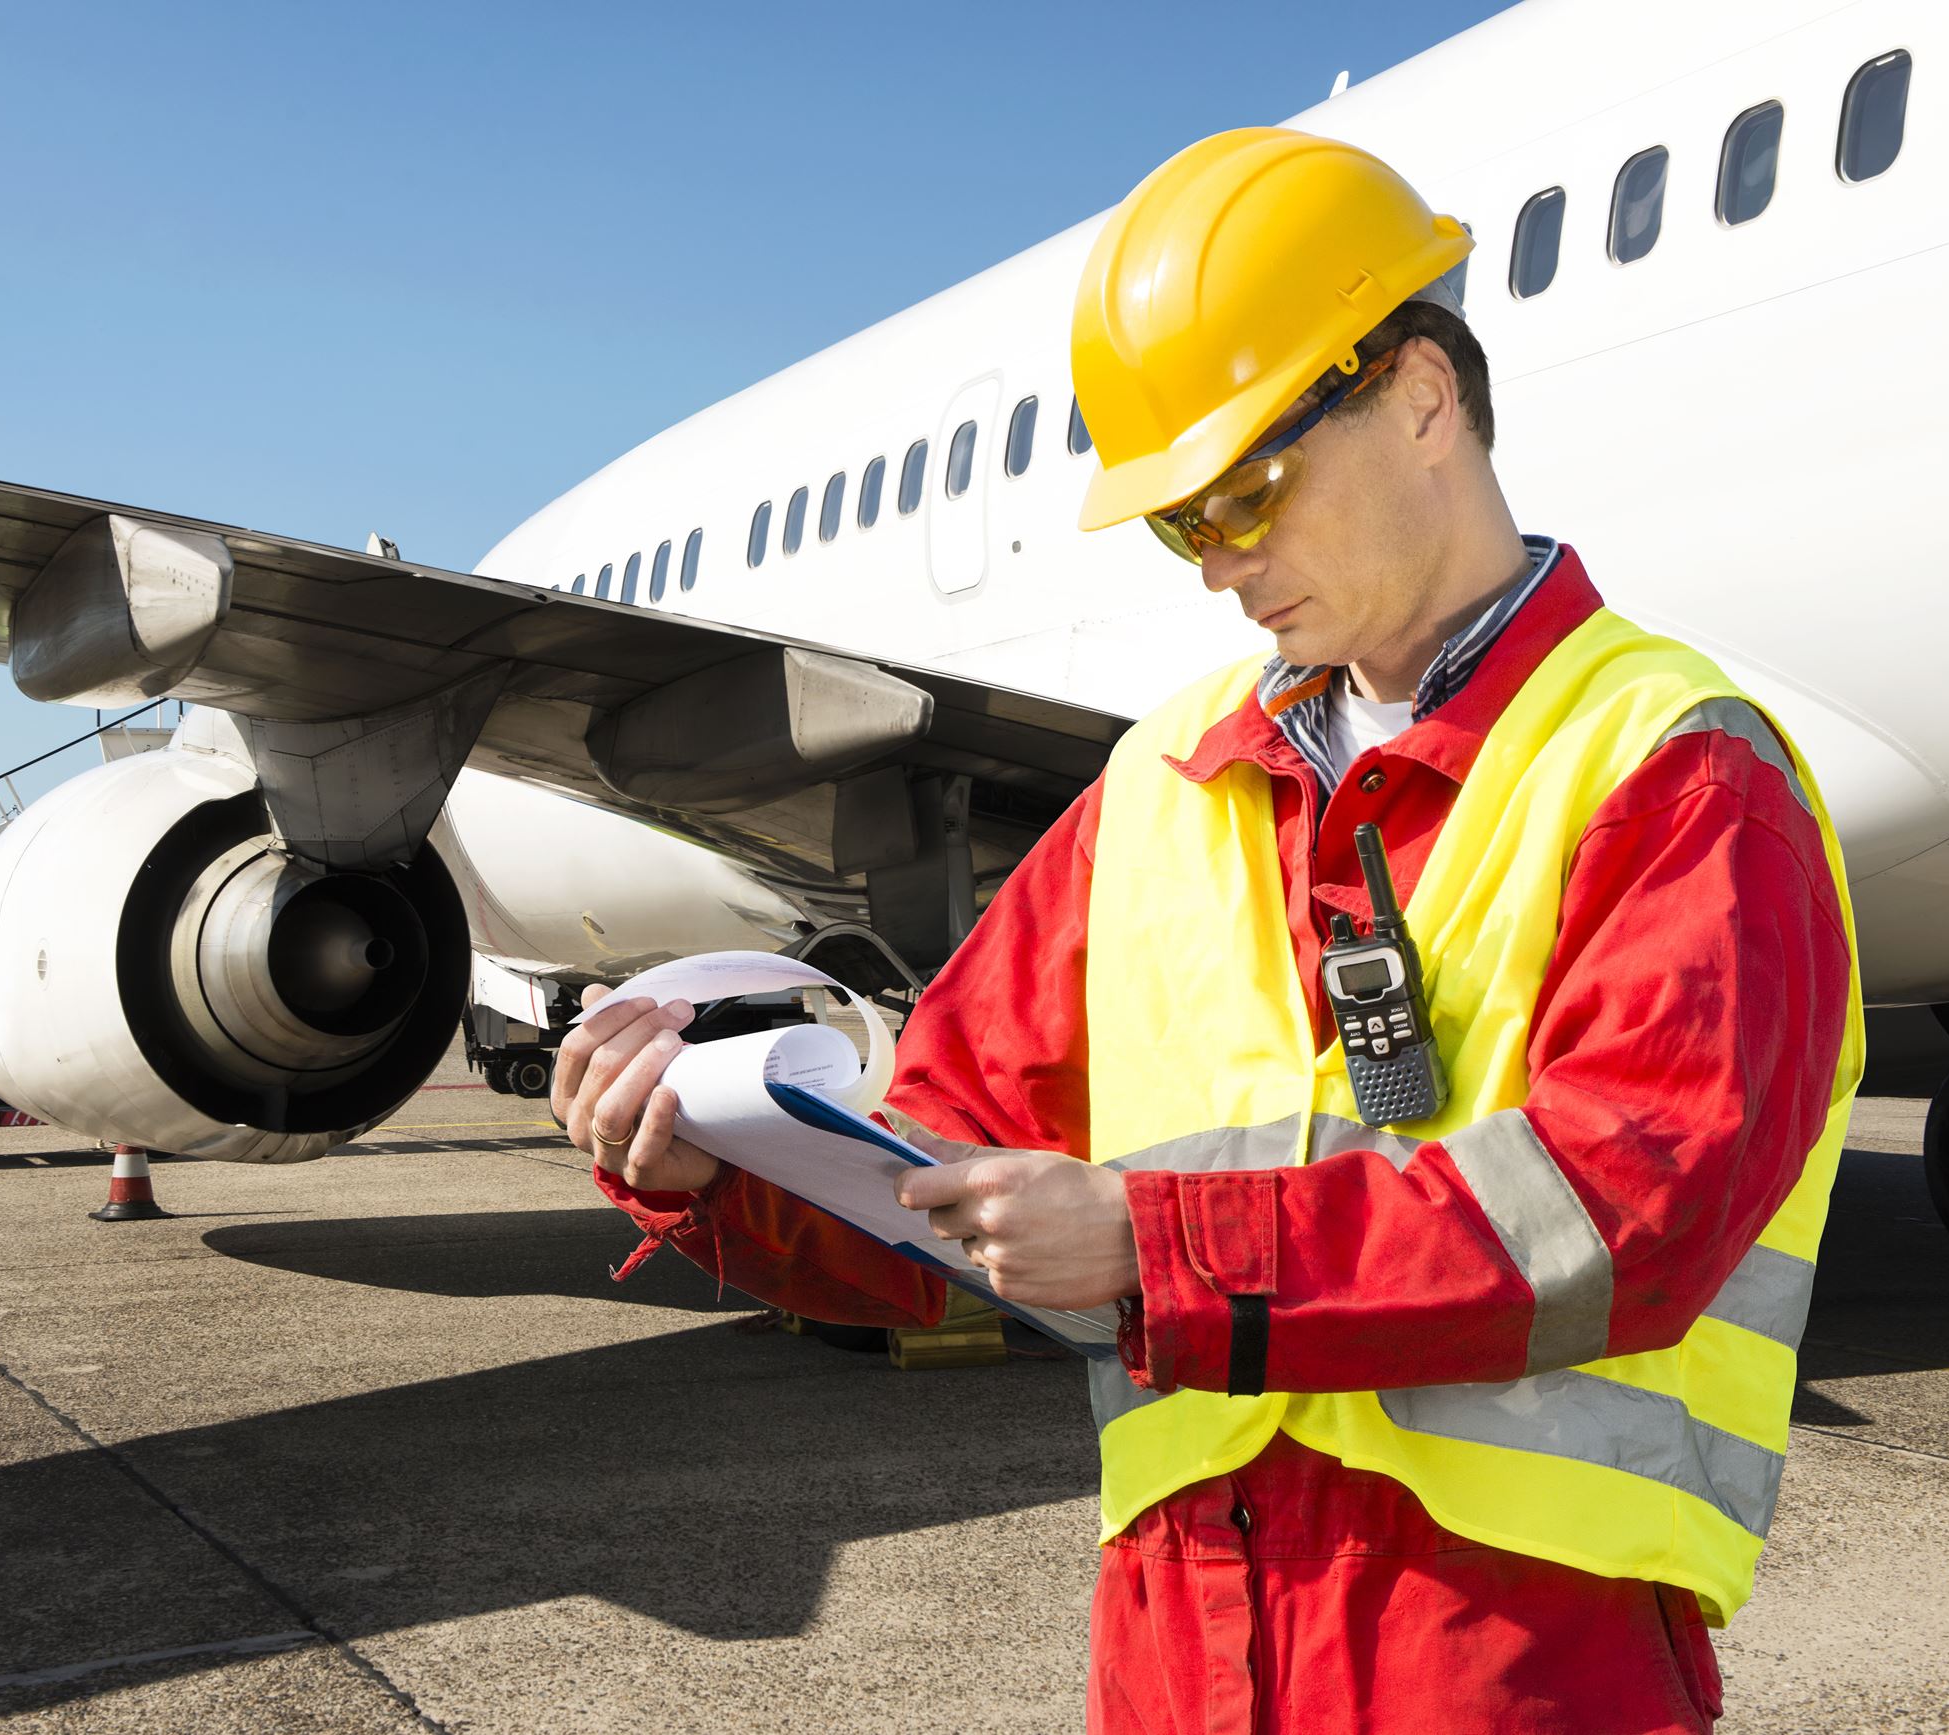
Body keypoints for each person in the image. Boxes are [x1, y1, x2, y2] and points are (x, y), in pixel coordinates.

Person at [557, 127, 1858, 1734]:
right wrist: (715, 1170)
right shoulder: (1161, 783)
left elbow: (1631, 1211)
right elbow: (940, 1184)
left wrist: (1156, 1247)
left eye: (1247, 487)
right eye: (1182, 522)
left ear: (1424, 397)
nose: (1222, 561)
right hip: (1183, 1643)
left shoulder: (1673, 764)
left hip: (1512, 1659)